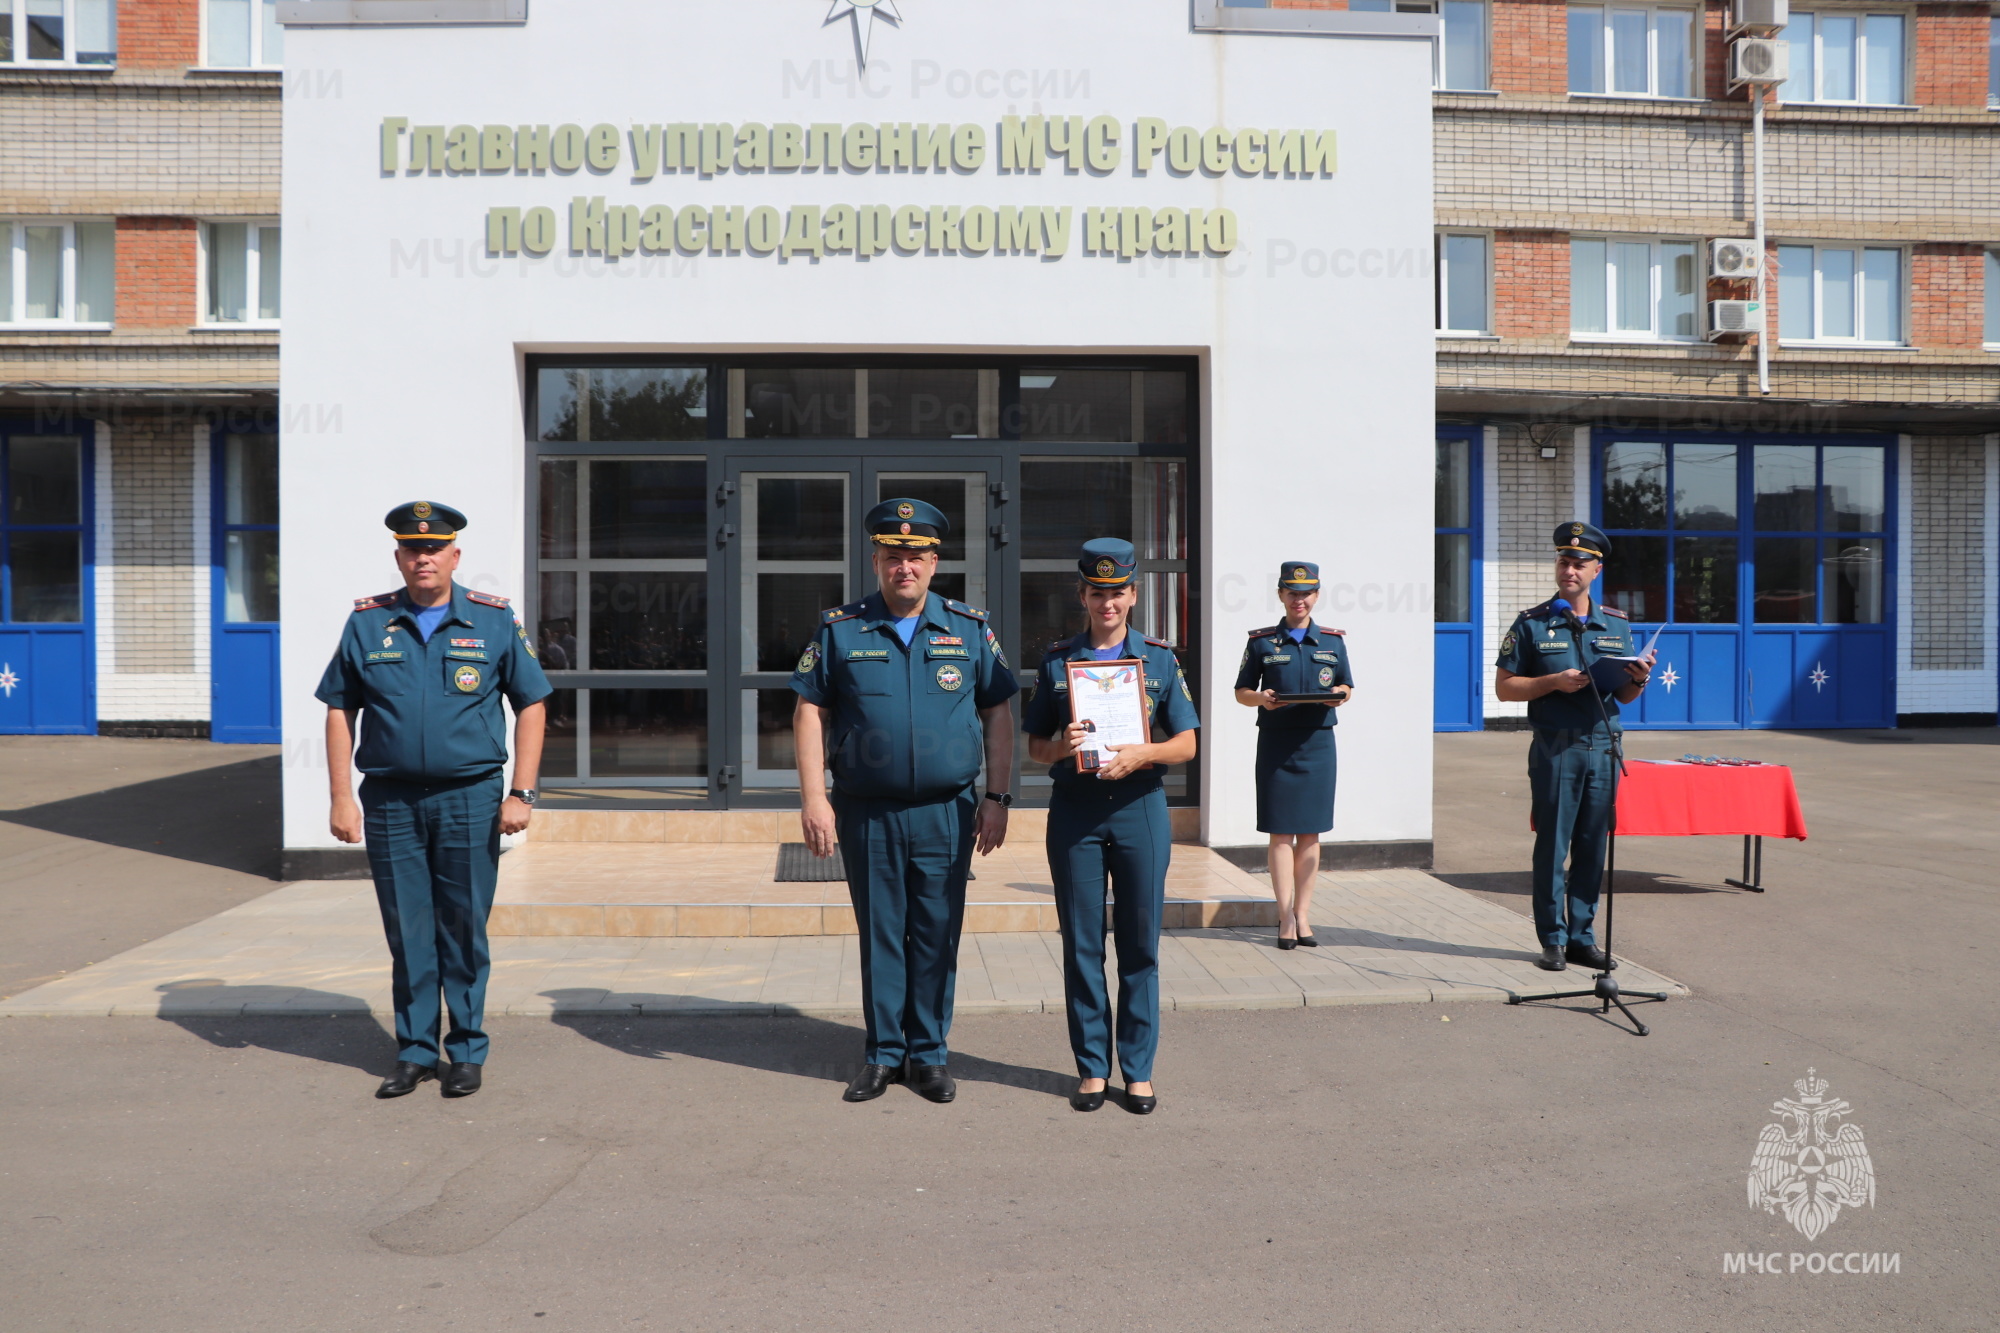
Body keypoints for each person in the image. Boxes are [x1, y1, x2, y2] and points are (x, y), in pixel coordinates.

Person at [316, 502, 552, 1099]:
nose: (424, 557)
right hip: (392, 800)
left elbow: (532, 703)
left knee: (463, 926)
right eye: (412, 549)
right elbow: (340, 709)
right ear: (399, 557)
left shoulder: (493, 621)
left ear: (454, 556)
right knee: (408, 930)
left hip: (469, 798)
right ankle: (416, 1052)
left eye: (435, 548)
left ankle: (466, 1050)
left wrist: (522, 792)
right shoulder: (369, 625)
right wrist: (342, 797)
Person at [790, 498, 1018, 1105]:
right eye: (893, 556)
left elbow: (997, 712)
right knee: (882, 933)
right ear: (876, 560)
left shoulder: (969, 628)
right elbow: (810, 709)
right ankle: (883, 1054)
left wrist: (996, 796)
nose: (905, 567)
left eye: (916, 556)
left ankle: (930, 1055)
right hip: (868, 811)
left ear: (935, 561)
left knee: (939, 931)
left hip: (948, 811)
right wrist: (814, 797)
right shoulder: (841, 629)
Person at [1023, 539, 1199, 1115]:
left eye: (1117, 592)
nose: (1108, 603)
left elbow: (1188, 743)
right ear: (1083, 595)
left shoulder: (1161, 660)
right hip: (1075, 812)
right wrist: (1060, 746)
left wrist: (1144, 753)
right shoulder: (1056, 661)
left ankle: (1139, 1068)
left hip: (1140, 810)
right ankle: (1093, 1068)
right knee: (1081, 946)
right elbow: (1034, 748)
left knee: (1140, 945)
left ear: (1132, 595)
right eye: (1098, 593)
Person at [1493, 522, 1655, 973]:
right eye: (1564, 561)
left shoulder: (1615, 625)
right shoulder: (1532, 623)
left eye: (1579, 563)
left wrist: (1638, 678)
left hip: (1604, 747)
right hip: (1556, 747)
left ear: (1596, 570)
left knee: (1591, 845)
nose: (1569, 570)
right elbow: (1505, 689)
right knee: (1553, 844)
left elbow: (1622, 696)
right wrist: (1554, 683)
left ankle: (1583, 937)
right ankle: (1553, 939)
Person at [1232, 562, 1355, 948]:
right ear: (1281, 595)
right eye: (1291, 592)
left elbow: (1347, 684)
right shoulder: (1262, 642)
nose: (1298, 599)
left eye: (1306, 593)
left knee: (1311, 834)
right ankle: (1284, 915)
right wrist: (1261, 699)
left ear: (1316, 596)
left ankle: (1304, 913)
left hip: (1318, 743)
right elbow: (1242, 691)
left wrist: (1341, 695)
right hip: (1277, 743)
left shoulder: (1333, 641)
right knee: (1281, 833)